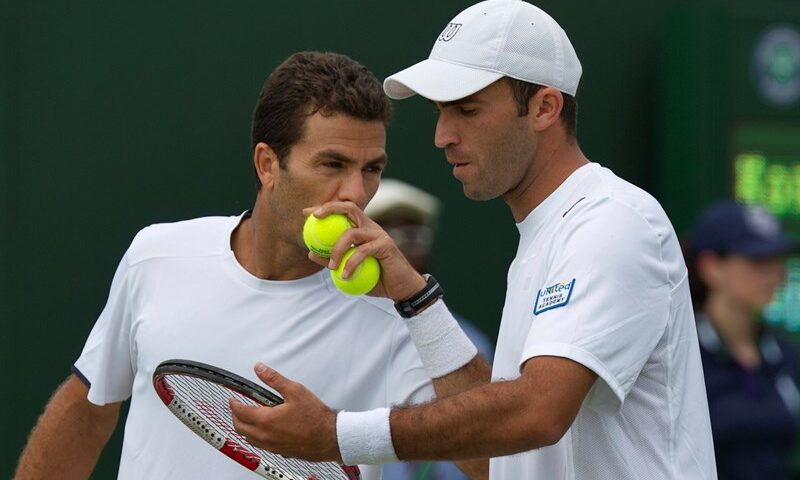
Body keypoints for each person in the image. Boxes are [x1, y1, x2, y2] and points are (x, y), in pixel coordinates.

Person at [229, 1, 717, 479]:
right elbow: (490, 460)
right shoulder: (551, 233)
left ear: (545, 107)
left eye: (467, 109)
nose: (443, 135)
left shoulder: (612, 222)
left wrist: (336, 435)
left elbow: (538, 412)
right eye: (442, 111)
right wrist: (415, 297)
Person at [13, 51, 440, 480]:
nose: (356, 192)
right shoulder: (156, 257)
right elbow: (87, 413)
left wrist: (419, 303)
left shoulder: (398, 313)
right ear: (268, 165)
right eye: (333, 164)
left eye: (372, 169)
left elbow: (492, 460)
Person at [368, 178, 494, 480]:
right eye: (387, 233)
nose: (399, 248)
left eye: (413, 234)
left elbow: (489, 455)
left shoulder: (470, 342)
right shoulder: (337, 336)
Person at [687, 200, 800, 480]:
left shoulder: (788, 357)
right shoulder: (681, 357)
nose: (775, 275)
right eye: (758, 261)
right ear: (711, 267)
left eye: (777, 261)